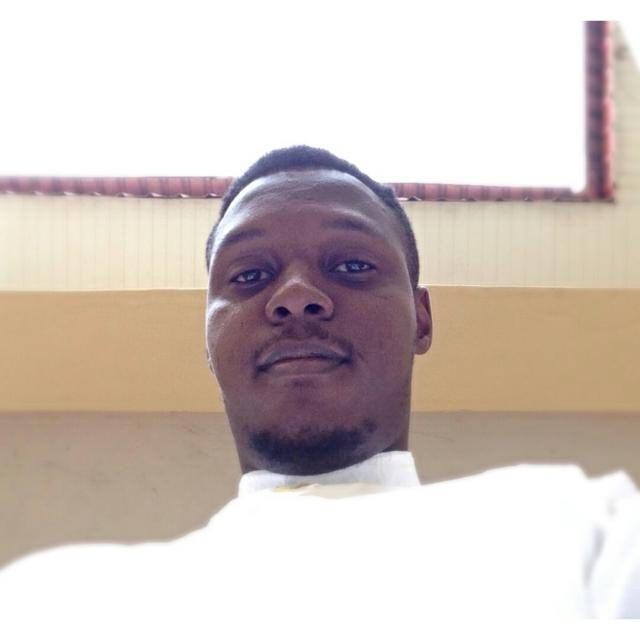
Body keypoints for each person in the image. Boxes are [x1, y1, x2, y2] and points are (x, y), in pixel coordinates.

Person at [1, 146, 639, 637]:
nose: (296, 296)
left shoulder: (586, 534)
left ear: (421, 319)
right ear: (208, 337)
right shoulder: (59, 602)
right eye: (250, 274)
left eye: (352, 266)